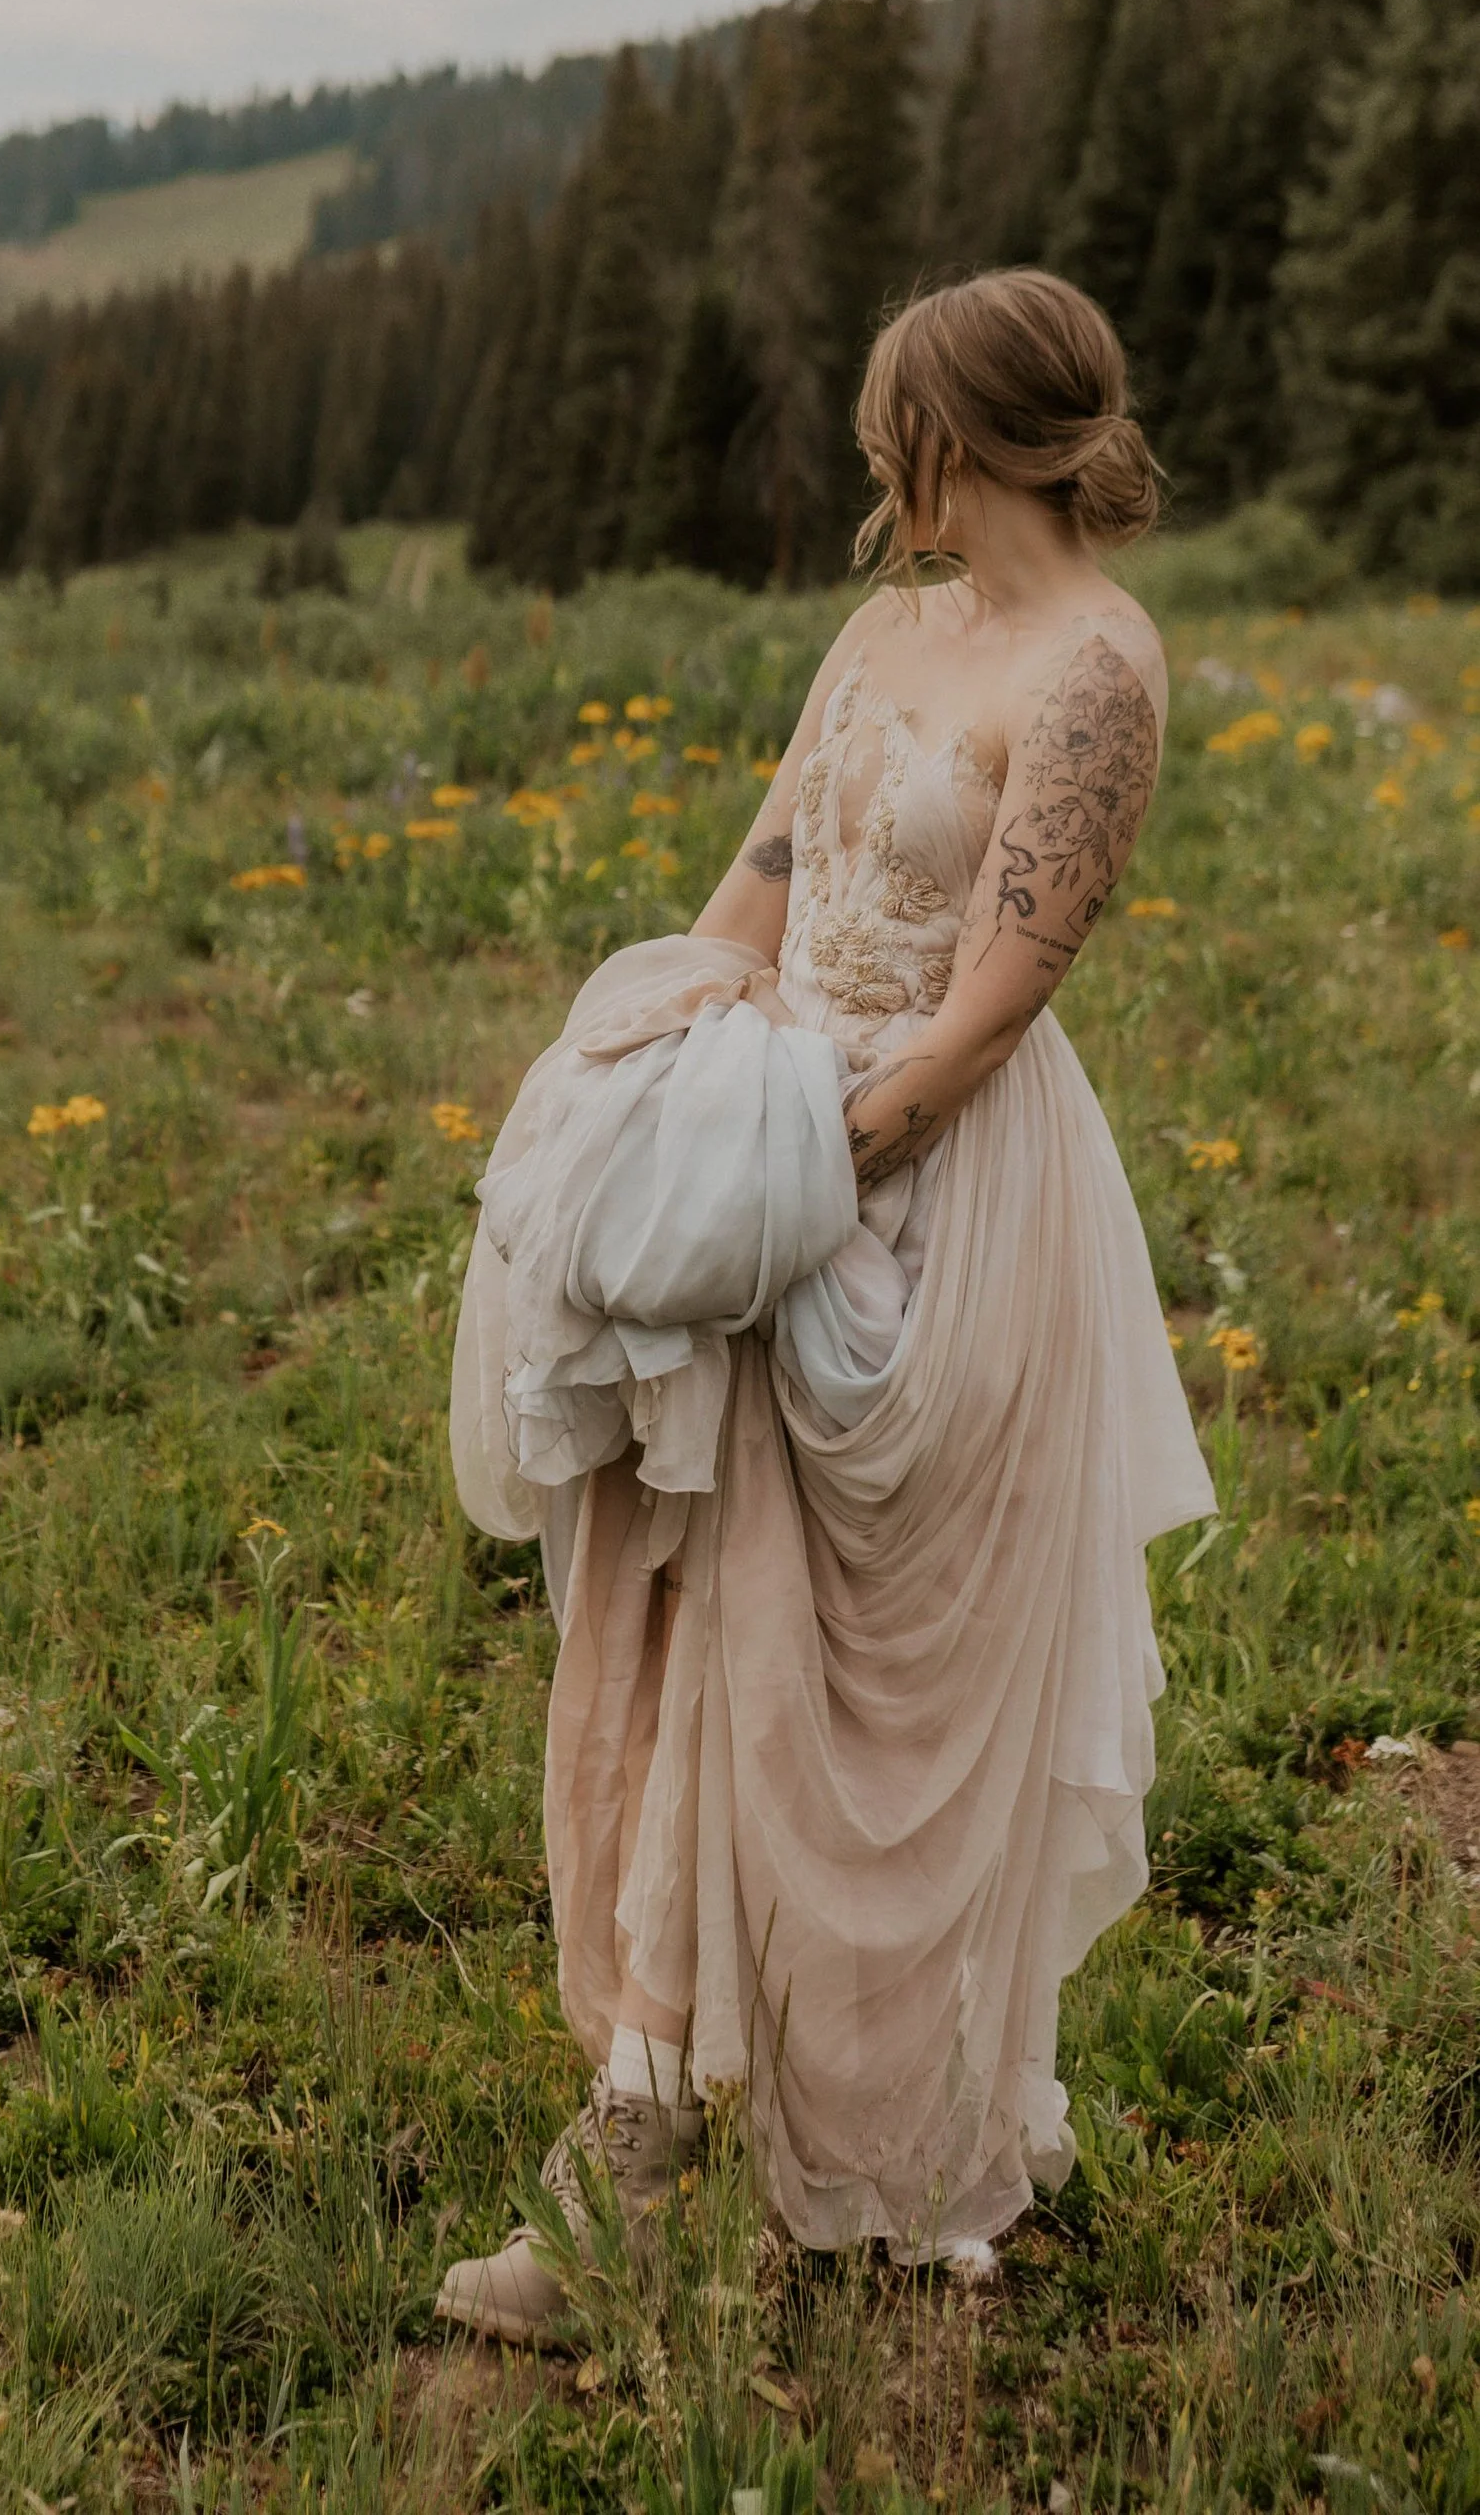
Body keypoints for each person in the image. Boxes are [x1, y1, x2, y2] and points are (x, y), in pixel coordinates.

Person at [438, 267, 1215, 2339]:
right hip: (772, 1133)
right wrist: (642, 1088)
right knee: (694, 1630)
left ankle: (854, 2126)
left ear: (976, 437)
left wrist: (791, 1174)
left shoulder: (1093, 672)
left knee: (845, 1685)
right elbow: (764, 874)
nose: (886, 480)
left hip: (928, 1197)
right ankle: (637, 2121)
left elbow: (988, 1005)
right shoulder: (882, 628)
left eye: (907, 442)